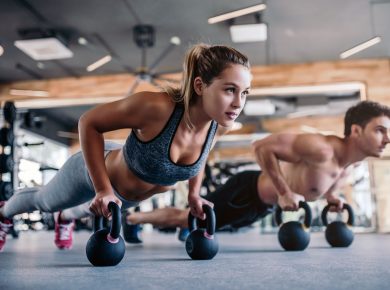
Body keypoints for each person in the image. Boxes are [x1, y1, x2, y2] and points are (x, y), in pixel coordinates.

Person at [0, 43, 252, 251]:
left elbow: (200, 155)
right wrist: (101, 188)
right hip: (94, 171)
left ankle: (64, 219)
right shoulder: (157, 107)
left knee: (82, 209)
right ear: (200, 86)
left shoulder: (219, 126)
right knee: (46, 201)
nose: (238, 103)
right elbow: (89, 122)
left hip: (123, 198)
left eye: (245, 93)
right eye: (230, 90)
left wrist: (194, 195)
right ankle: (4, 213)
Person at [120, 101, 390, 238]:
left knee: (203, 225)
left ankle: (178, 227)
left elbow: (325, 182)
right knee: (185, 218)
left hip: (259, 207)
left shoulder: (350, 166)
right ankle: (131, 220)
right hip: (246, 191)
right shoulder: (320, 147)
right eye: (380, 130)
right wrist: (284, 191)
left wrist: (332, 197)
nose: (387, 139)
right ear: (356, 131)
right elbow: (261, 146)